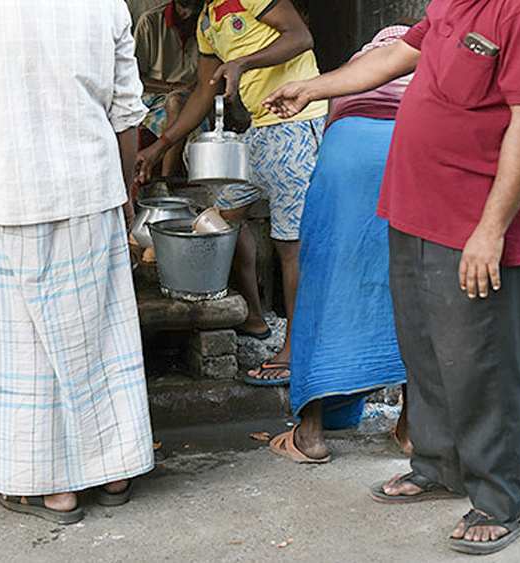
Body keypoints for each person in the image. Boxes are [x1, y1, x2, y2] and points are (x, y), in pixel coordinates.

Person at [264, 0, 520, 554]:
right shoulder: (451, 3)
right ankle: (438, 464)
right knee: (423, 348)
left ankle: (500, 498)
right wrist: (316, 88)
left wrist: (491, 231)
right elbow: (399, 54)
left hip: (474, 222)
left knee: (481, 362)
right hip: (414, 207)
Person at [0, 0, 155, 524]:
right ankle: (115, 470)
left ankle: (53, 490)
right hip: (92, 188)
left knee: (24, 344)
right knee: (101, 334)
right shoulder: (108, 5)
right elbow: (127, 111)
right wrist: (124, 190)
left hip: (17, 195)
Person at [137, 0, 327, 386]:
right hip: (259, 131)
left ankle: (295, 351)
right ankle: (255, 319)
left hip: (295, 123)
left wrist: (244, 62)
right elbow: (204, 95)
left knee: (290, 246)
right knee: (219, 221)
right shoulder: (208, 21)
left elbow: (300, 37)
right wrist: (162, 145)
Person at [268, 24, 414, 465]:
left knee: (324, 286)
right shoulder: (431, 58)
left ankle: (310, 435)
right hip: (409, 155)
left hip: (347, 158)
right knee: (407, 291)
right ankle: (412, 430)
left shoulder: (353, 73)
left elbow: (336, 127)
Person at [134, 0, 206, 176]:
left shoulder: (208, 22)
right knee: (177, 101)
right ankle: (167, 180)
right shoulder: (151, 22)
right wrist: (173, 86)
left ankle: (166, 184)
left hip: (197, 96)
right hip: (155, 97)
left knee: (184, 104)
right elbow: (135, 78)